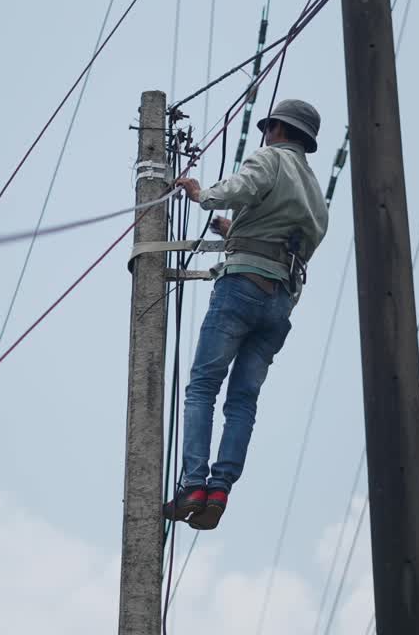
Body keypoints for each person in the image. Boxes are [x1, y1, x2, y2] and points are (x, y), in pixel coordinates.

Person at [165, 99, 329, 530]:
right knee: (243, 400)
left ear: (276, 128)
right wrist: (232, 230)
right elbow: (282, 232)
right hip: (280, 304)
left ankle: (194, 484)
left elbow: (242, 187)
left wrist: (204, 196)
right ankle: (220, 489)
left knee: (202, 387)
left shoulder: (270, 158)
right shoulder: (315, 193)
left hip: (241, 289)